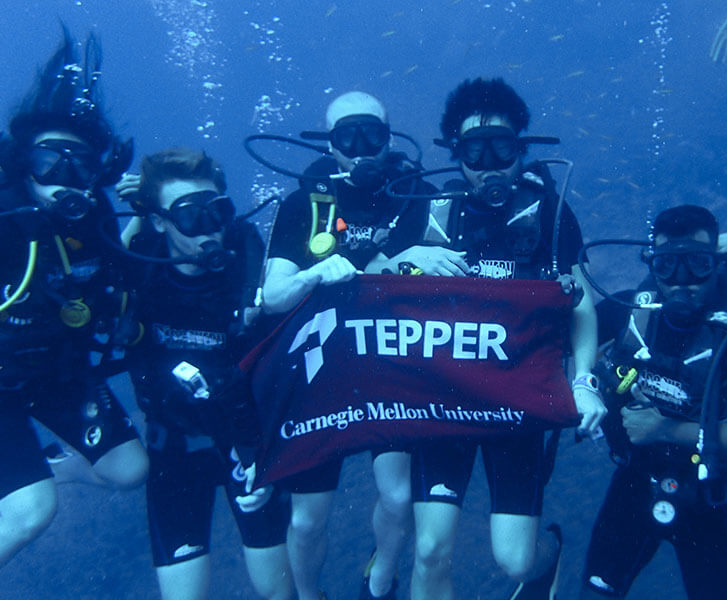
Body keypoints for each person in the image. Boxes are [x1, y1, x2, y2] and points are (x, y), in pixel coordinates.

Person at [407, 77, 604, 600]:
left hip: (519, 400)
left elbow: (580, 299)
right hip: (442, 399)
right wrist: (410, 257)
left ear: (522, 149)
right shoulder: (433, 211)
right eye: (475, 150)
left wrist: (584, 381)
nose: (490, 163)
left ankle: (546, 563)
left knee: (515, 560)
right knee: (429, 549)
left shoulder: (551, 212)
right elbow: (373, 281)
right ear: (457, 154)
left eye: (503, 147)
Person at [262, 91, 443, 600]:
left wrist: (408, 257)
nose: (361, 148)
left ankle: (379, 579)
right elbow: (273, 296)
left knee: (400, 496)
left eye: (372, 135)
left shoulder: (415, 194)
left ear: (389, 137)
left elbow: (434, 270)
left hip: (388, 366)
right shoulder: (305, 203)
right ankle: (308, 595)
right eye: (348, 137)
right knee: (306, 521)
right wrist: (315, 272)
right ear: (331, 145)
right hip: (317, 374)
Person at [119, 148, 294, 599]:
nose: (210, 227)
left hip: (245, 447)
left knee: (276, 589)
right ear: (159, 220)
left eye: (217, 211)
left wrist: (265, 454)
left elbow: (279, 367)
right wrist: (136, 218)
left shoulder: (246, 259)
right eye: (190, 216)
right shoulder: (141, 265)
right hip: (174, 450)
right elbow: (101, 281)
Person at [580, 205, 727, 600]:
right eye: (668, 266)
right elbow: (564, 329)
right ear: (652, 263)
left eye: (698, 265)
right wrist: (583, 382)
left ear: (718, 264)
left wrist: (667, 429)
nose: (682, 281)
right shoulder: (631, 310)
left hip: (713, 497)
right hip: (635, 481)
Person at [0, 30, 147, 566]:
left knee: (129, 470)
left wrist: (151, 217)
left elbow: (127, 287)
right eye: (49, 163)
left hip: (55, 374)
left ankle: (50, 465)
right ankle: (28, 483)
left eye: (80, 166)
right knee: (31, 511)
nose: (65, 178)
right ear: (22, 165)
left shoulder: (98, 221)